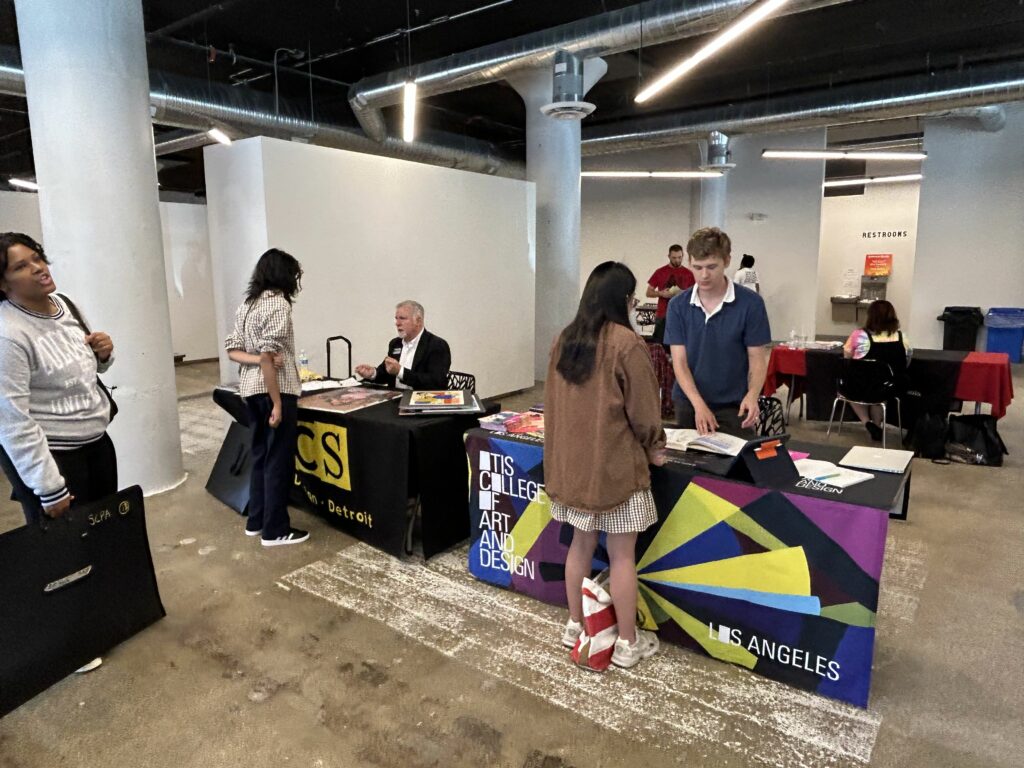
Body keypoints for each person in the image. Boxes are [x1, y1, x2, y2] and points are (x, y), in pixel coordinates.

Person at [0, 231, 118, 674]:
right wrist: (48, 486)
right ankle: (68, 640)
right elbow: (11, 419)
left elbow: (87, 371)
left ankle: (97, 614)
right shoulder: (8, 333)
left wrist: (104, 355)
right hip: (53, 455)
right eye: (21, 266)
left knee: (99, 532)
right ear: (3, 282)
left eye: (38, 258)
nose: (38, 268)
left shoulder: (66, 306)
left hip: (95, 442)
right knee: (60, 550)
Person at [545, 261, 666, 669]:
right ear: (623, 300)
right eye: (632, 297)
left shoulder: (564, 340)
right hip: (615, 469)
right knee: (622, 556)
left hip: (572, 468)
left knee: (579, 545)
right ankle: (627, 645)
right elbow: (645, 412)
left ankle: (575, 627)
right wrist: (656, 446)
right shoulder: (626, 343)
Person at [224, 248, 309, 547]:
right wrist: (276, 401)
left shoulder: (247, 305)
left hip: (249, 390)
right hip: (276, 391)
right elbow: (266, 357)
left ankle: (256, 521)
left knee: (260, 457)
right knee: (278, 461)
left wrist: (261, 360)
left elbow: (233, 349)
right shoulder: (278, 305)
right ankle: (275, 530)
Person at [664, 227, 771, 435]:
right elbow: (679, 362)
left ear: (727, 261)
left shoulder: (751, 304)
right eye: (697, 267)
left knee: (737, 464)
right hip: (689, 401)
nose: (704, 275)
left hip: (734, 404)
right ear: (689, 264)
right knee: (688, 465)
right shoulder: (678, 306)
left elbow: (757, 359)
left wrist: (752, 394)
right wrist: (699, 405)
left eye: (712, 266)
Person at [842, 300, 911, 441]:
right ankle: (877, 426)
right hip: (889, 387)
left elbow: (847, 358)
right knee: (879, 396)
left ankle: (867, 422)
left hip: (861, 386)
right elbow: (907, 360)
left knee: (846, 388)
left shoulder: (858, 335)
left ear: (870, 316)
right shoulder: (901, 337)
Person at [355, 301, 451, 390]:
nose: (397, 323)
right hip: (394, 400)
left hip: (421, 403)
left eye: (402, 318)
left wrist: (400, 372)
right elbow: (387, 373)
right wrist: (372, 373)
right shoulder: (395, 343)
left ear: (418, 321)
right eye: (396, 318)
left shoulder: (437, 345)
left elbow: (436, 382)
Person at [646, 244, 695, 343]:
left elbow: (696, 295)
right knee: (659, 346)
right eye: (674, 258)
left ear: (683, 256)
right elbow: (648, 292)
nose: (677, 260)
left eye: (679, 257)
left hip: (682, 315)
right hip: (663, 315)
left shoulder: (689, 274)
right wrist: (661, 293)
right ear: (669, 256)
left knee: (680, 346)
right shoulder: (660, 272)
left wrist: (682, 293)